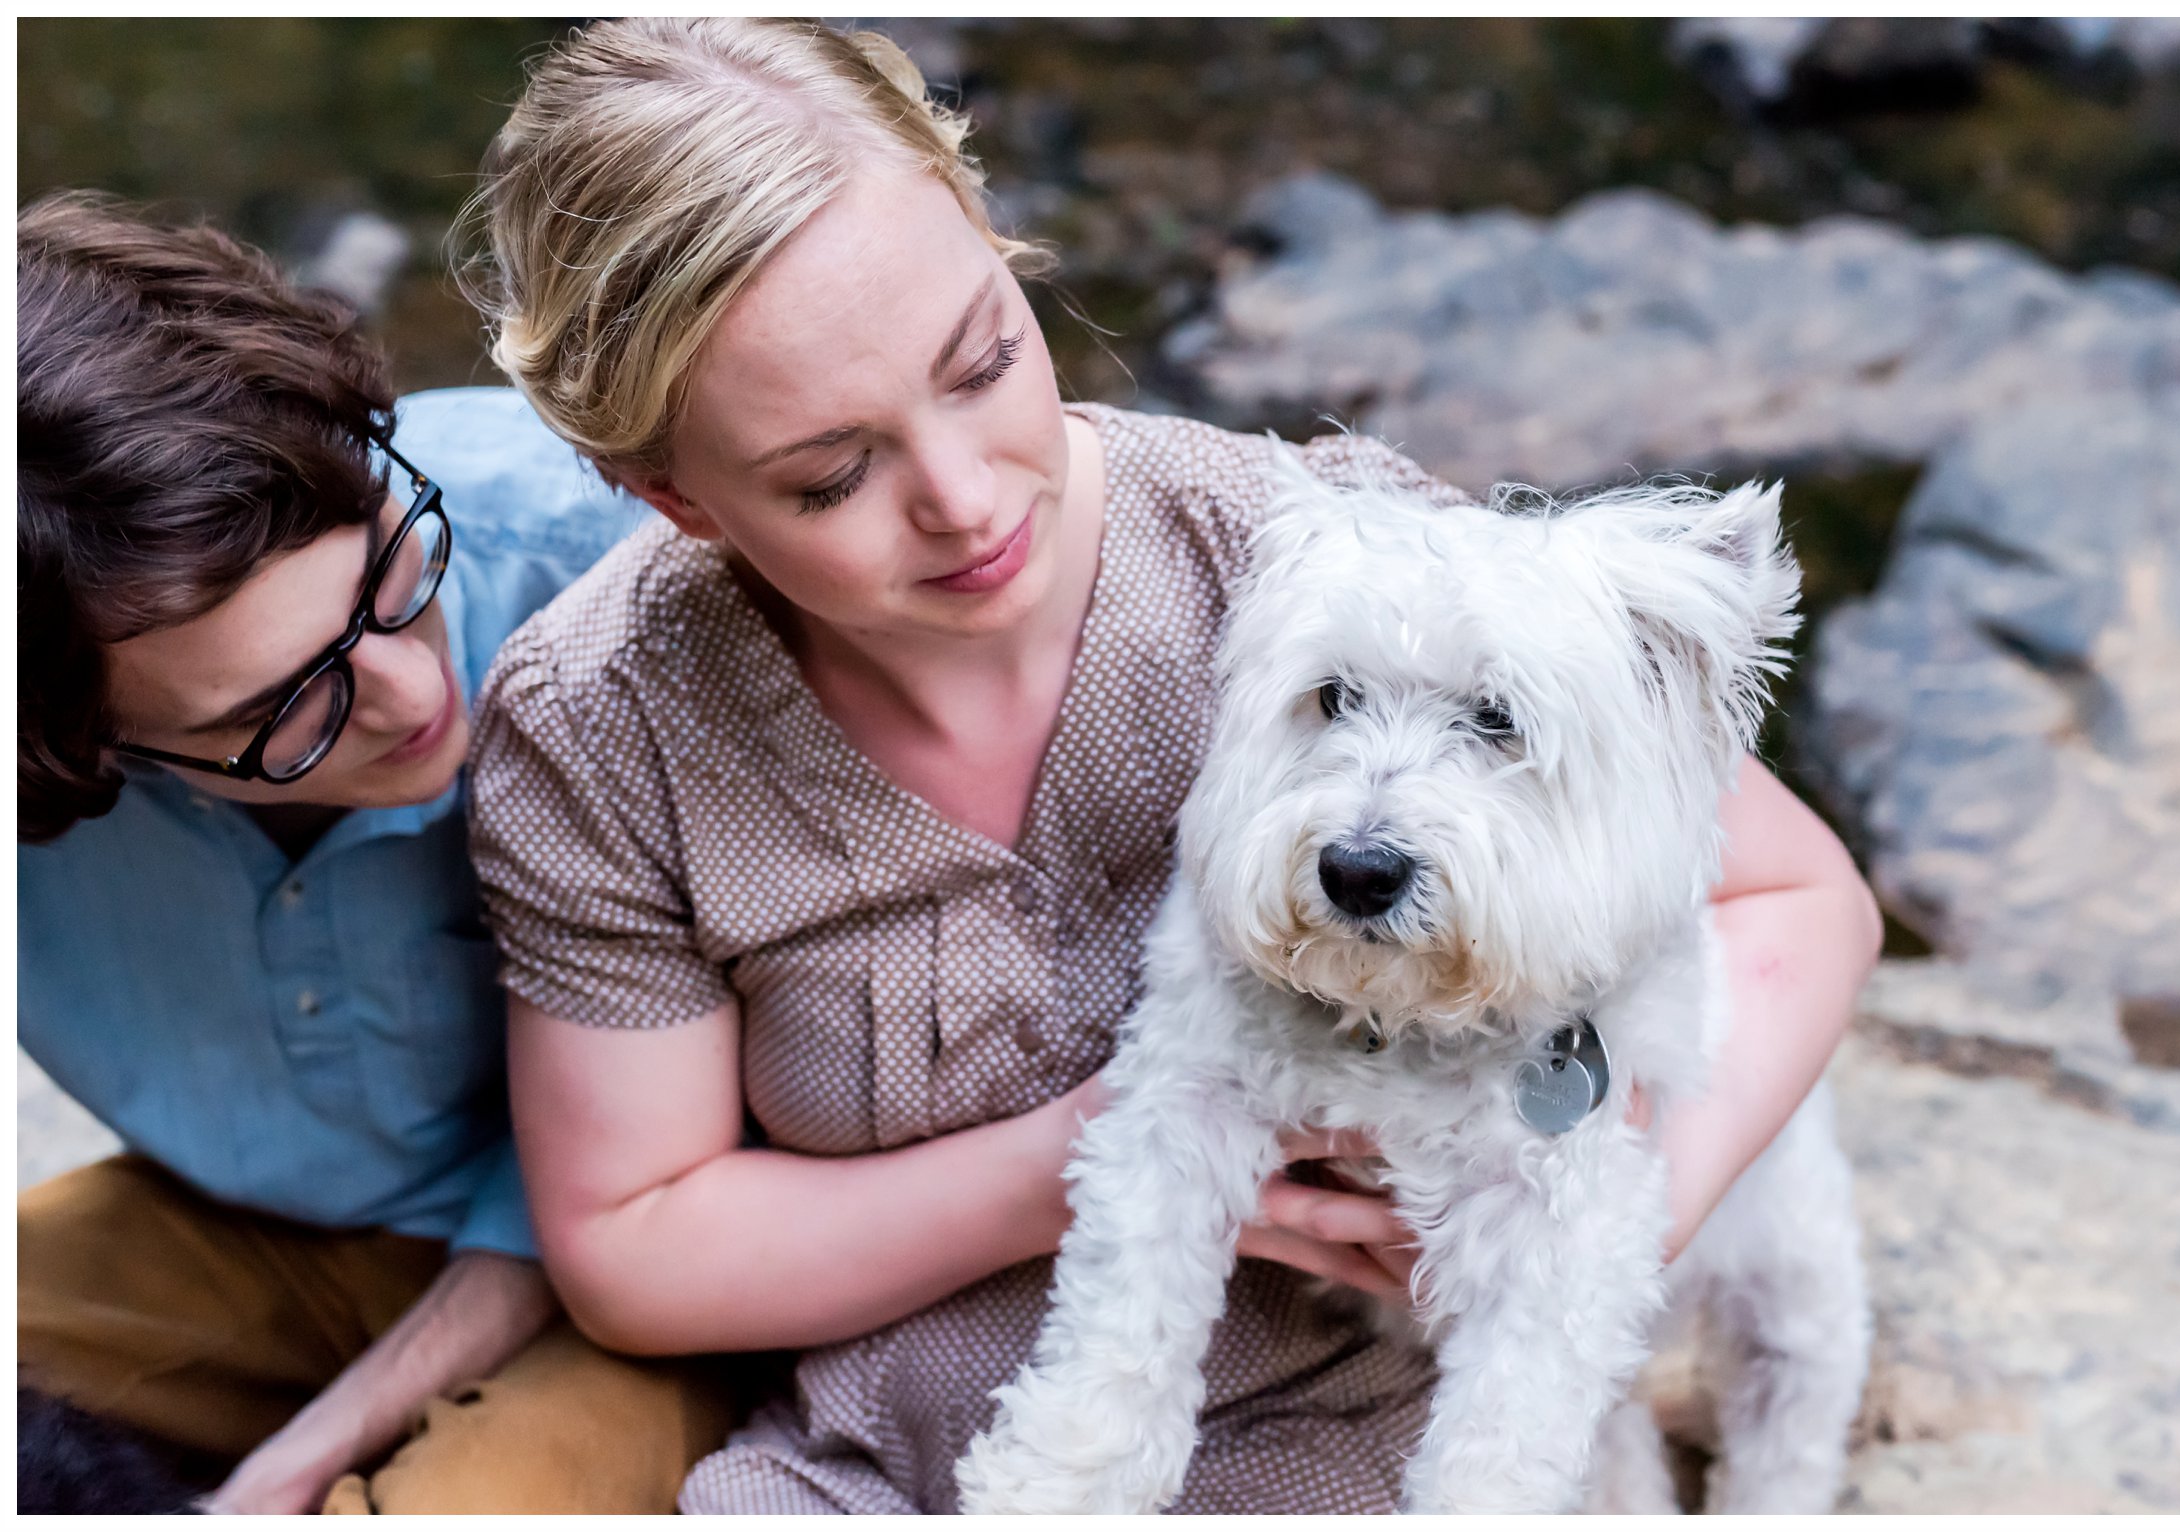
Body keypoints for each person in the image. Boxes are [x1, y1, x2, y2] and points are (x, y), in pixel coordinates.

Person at [456, 18, 1884, 1514]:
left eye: (981, 361)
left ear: (996, 237)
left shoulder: (1313, 557)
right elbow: (635, 1247)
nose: (959, 499)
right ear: (669, 497)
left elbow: (1796, 898)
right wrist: (1103, 1147)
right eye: (829, 475)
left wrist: (1604, 1227)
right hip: (859, 1448)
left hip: (1345, 1434)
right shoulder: (601, 722)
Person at [14, 193, 734, 1514]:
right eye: (280, 710)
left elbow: (649, 1197)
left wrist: (296, 1465)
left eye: (395, 580)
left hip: (654, 1274)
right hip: (232, 1234)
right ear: (78, 760)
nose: (413, 693)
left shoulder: (618, 568)